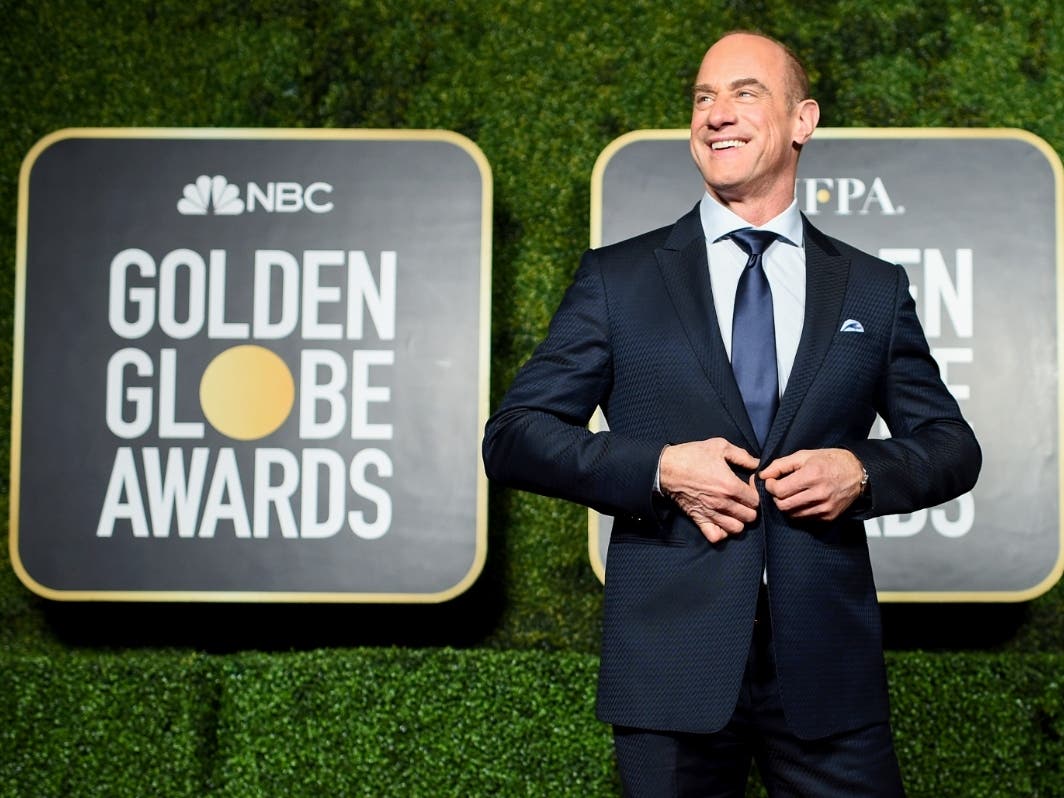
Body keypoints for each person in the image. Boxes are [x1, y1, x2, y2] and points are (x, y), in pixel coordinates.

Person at [483, 30, 980, 797]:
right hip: (671, 672)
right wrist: (657, 467)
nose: (717, 114)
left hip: (830, 675)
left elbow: (950, 445)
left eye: (745, 93)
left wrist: (862, 471)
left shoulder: (871, 290)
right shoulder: (618, 279)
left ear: (802, 121)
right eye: (703, 98)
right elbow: (513, 437)